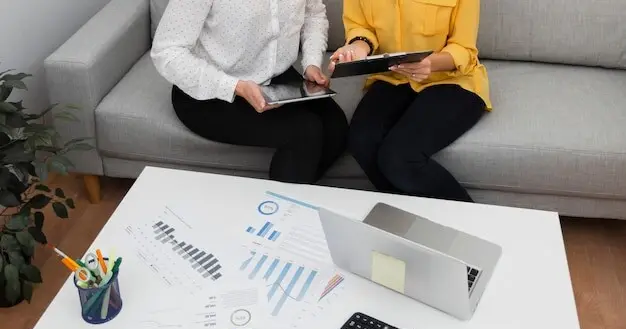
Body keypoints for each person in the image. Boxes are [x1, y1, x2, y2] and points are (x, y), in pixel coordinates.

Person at [151, 0, 348, 184]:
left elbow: (313, 14)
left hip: (274, 77)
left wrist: (312, 63)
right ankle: (273, 207)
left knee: (336, 128)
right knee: (306, 132)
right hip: (210, 89)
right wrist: (235, 86)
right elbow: (166, 51)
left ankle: (288, 199)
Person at [329, 0, 490, 202]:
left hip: (452, 79)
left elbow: (463, 48)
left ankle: (468, 219)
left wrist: (430, 63)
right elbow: (361, 28)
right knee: (362, 142)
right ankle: (407, 216)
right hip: (393, 77)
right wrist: (356, 49)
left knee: (399, 157)